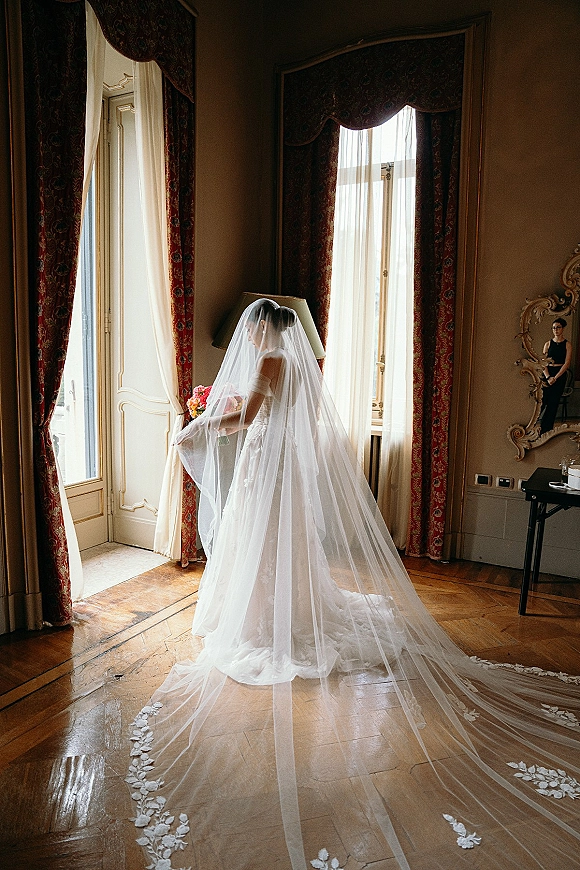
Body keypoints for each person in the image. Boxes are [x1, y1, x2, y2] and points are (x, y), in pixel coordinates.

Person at [127, 299, 580, 870]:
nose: (251, 333)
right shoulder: (295, 365)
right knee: (275, 542)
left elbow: (247, 420)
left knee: (260, 539)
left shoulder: (268, 361)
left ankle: (261, 619)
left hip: (266, 461)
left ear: (264, 328)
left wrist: (199, 425)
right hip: (281, 463)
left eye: (254, 325)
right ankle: (281, 605)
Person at [539, 317, 572, 433]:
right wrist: (548, 377)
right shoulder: (547, 344)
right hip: (547, 374)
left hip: (559, 375)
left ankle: (546, 429)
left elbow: (567, 363)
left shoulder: (567, 345)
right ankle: (535, 426)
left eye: (558, 327)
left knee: (553, 403)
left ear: (562, 328)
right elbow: (543, 362)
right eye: (553, 328)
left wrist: (556, 377)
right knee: (542, 401)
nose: (555, 330)